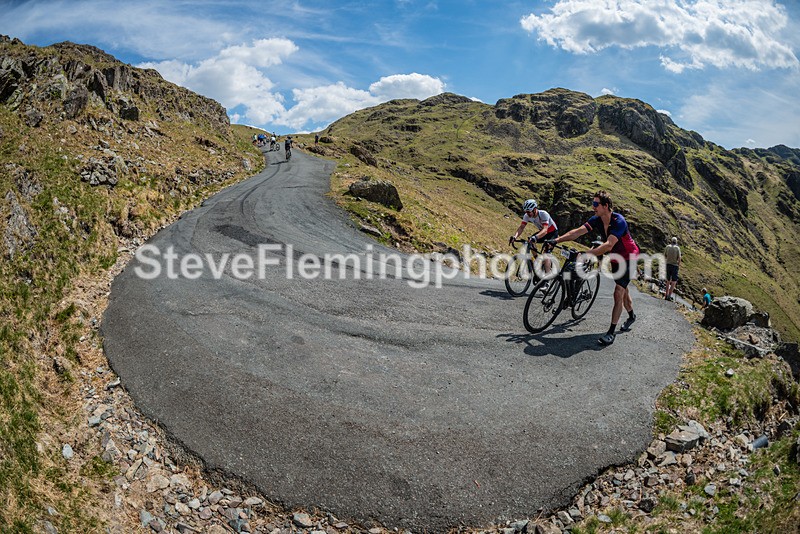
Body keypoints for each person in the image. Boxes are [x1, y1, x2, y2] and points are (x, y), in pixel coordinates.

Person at [547, 191, 639, 346]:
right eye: (593, 203)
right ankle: (631, 315)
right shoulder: (596, 219)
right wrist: (556, 239)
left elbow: (609, 245)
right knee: (623, 290)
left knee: (618, 292)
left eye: (596, 204)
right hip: (615, 257)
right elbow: (577, 232)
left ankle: (610, 333)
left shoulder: (619, 221)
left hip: (629, 257)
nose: (593, 206)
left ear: (606, 206)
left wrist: (585, 254)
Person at [508, 199, 559, 276]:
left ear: (535, 209)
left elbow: (545, 230)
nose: (527, 214)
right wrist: (515, 237)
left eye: (529, 211)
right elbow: (521, 227)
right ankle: (536, 260)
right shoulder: (527, 216)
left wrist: (535, 237)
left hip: (552, 233)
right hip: (543, 232)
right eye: (526, 212)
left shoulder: (543, 214)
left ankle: (547, 279)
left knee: (546, 253)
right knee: (530, 241)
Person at [664, 236, 681, 300]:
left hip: (668, 264)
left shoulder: (667, 247)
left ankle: (666, 294)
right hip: (674, 265)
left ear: (671, 241)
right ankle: (669, 295)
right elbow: (679, 258)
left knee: (668, 280)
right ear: (676, 242)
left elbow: (665, 255)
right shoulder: (677, 248)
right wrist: (678, 265)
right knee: (674, 281)